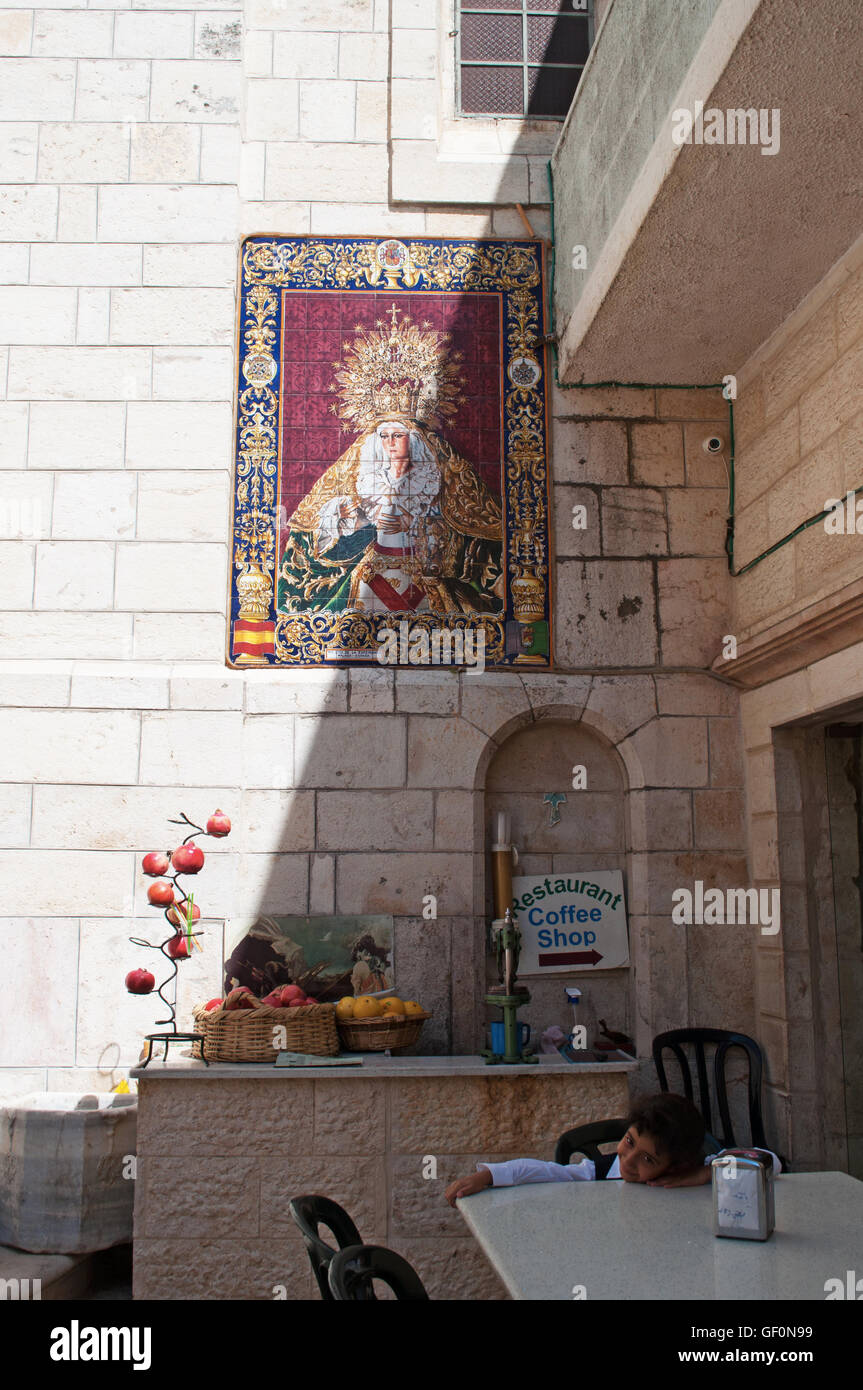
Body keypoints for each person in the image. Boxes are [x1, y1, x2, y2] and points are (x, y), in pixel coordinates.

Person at [277, 307, 503, 617]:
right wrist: (351, 522)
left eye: (398, 435)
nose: (391, 443)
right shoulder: (365, 481)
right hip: (373, 571)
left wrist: (418, 525)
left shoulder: (436, 480)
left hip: (424, 577)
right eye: (384, 436)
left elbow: (466, 535)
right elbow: (329, 535)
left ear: (414, 440)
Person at [444, 1092, 782, 1205]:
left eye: (648, 1159)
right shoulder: (602, 1171)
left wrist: (707, 1173)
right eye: (630, 1142)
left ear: (676, 1167)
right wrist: (491, 1175)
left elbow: (771, 1162)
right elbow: (549, 1171)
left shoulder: (702, 1171)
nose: (629, 1161)